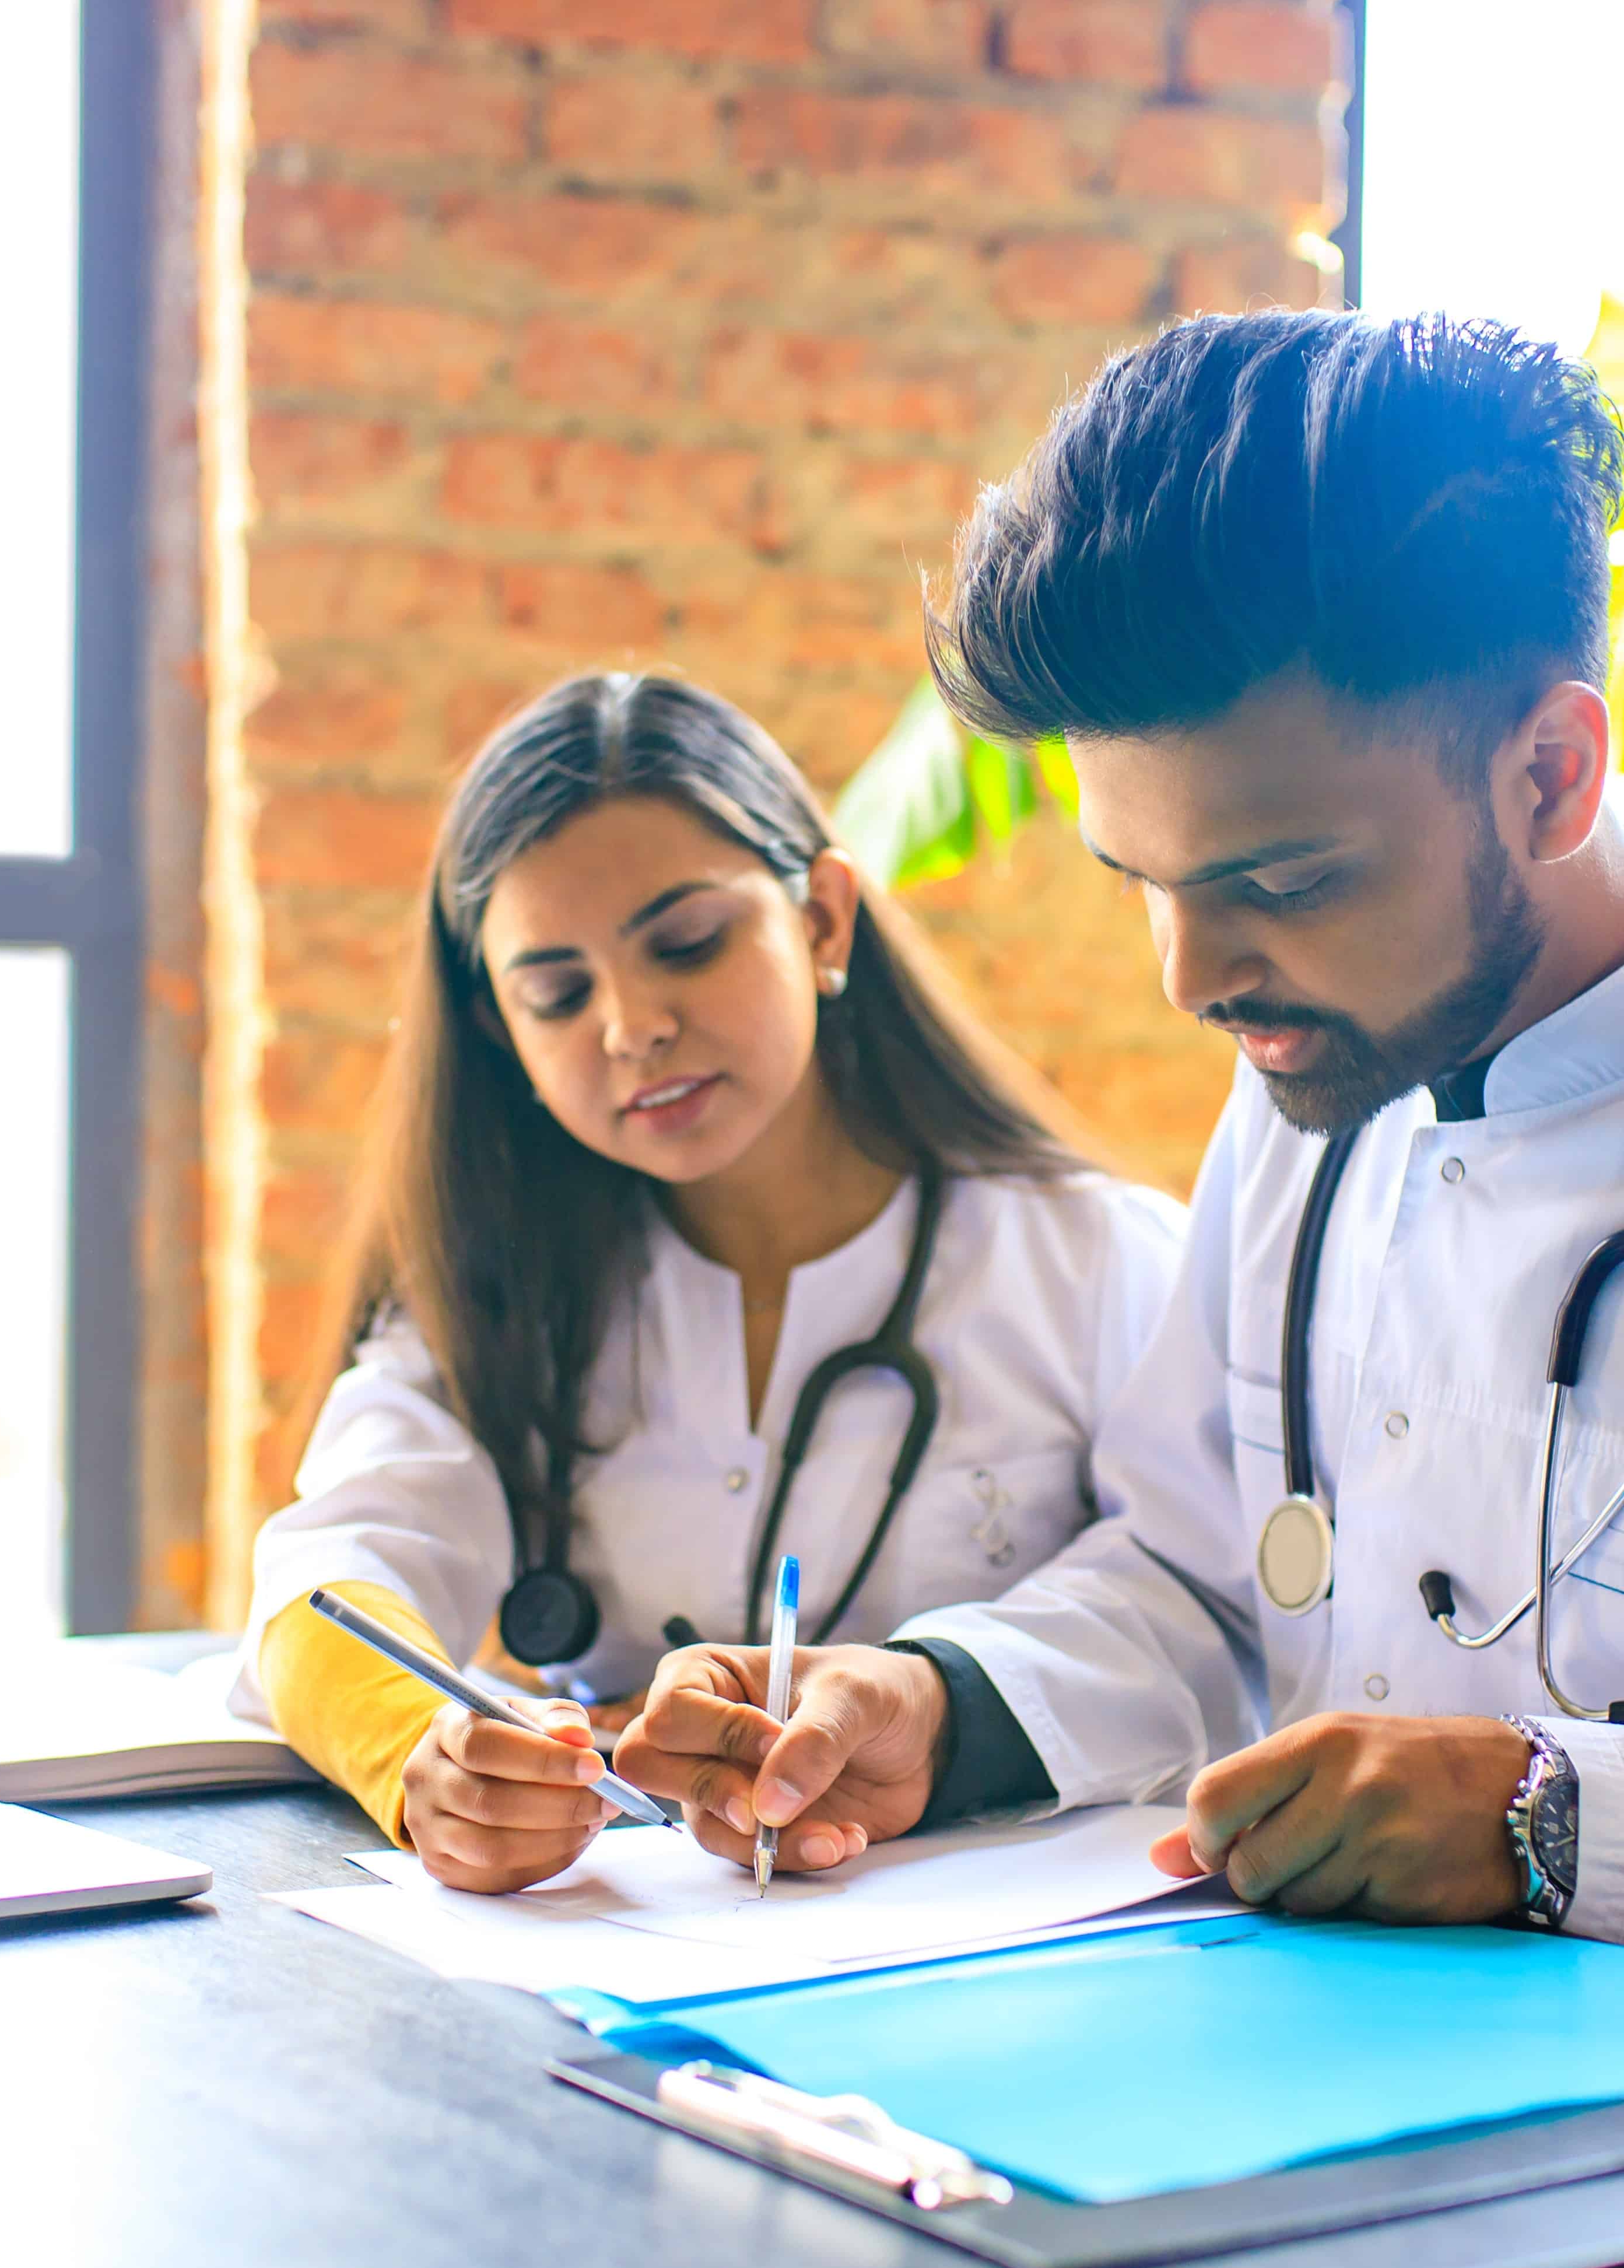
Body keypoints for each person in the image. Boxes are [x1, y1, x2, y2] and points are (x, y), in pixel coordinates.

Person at [615, 311, 1624, 1975]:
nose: (1194, 979)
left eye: (1285, 882)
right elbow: (1203, 1581)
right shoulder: (1311, 1095)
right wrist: (938, 1705)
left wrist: (1566, 1823)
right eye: (1146, 890)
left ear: (1550, 771)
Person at [234, 671, 1181, 1891]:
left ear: (825, 921)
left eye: (687, 944)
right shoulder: (494, 1289)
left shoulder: (1098, 1263)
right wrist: (427, 1756)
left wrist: (947, 1701)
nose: (632, 1027)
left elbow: (1204, 1617)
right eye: (558, 993)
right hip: (622, 1971)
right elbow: (327, 1579)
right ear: (499, 1031)